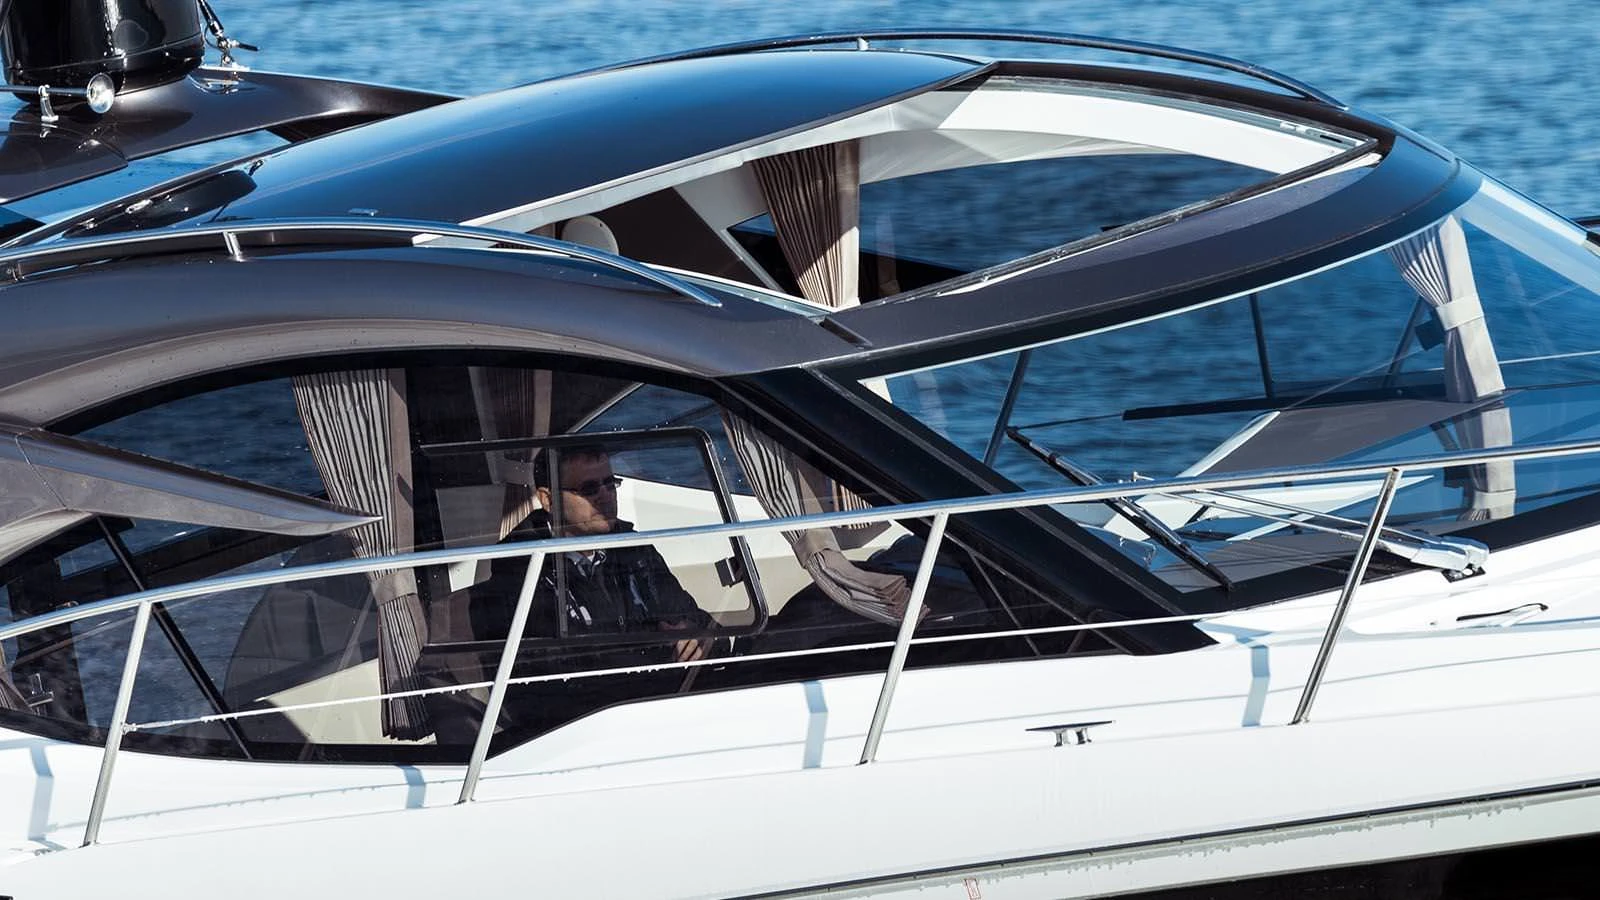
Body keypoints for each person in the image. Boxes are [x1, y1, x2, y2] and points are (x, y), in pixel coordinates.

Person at [471, 444, 710, 665]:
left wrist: (692, 633)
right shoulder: (521, 567)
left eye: (610, 484)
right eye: (589, 489)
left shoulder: (634, 548)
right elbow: (552, 662)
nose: (605, 496)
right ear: (548, 500)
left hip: (659, 685)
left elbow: (696, 617)